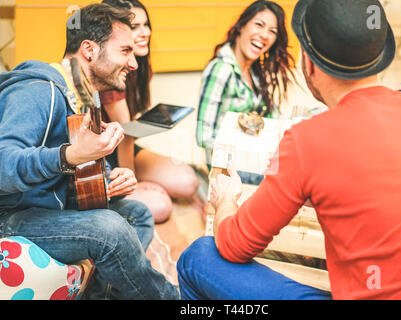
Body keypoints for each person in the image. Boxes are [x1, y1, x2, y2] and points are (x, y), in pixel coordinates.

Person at [177, 0, 401, 300]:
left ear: (308, 63)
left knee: (199, 256)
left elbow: (234, 244)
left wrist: (226, 198)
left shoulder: (306, 139)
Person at [0, 4, 179, 300]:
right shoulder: (39, 89)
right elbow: (4, 166)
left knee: (138, 213)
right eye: (125, 51)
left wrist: (110, 180)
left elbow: (77, 170)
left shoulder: (85, 97)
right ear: (89, 50)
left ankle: (99, 295)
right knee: (109, 229)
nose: (134, 63)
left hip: (42, 207)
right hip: (10, 214)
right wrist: (68, 155)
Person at [100, 0, 202, 224]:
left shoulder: (140, 67)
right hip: (100, 158)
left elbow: (129, 133)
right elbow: (124, 134)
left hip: (123, 148)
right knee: (160, 206)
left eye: (146, 25)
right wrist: (131, 183)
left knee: (189, 182)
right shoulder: (110, 73)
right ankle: (115, 199)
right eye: (134, 27)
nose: (145, 32)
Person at [196, 0, 297, 183]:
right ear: (242, 25)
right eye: (259, 24)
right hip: (229, 168)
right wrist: (237, 156)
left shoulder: (255, 74)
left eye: (272, 31)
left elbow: (272, 120)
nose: (264, 35)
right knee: (289, 182)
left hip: (252, 160)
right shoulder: (221, 70)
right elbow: (203, 135)